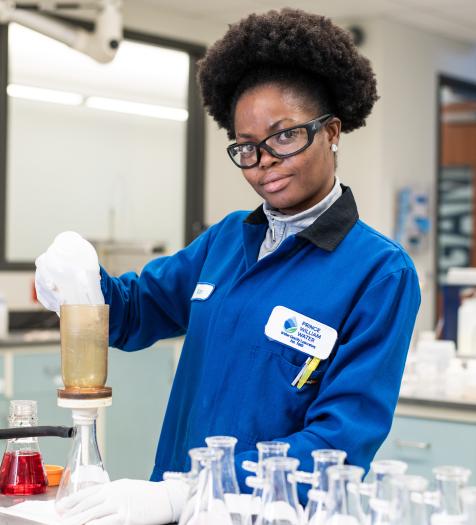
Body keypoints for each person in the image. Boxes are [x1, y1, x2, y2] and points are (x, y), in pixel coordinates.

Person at [36, 8, 420, 525]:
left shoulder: (378, 273)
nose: (263, 162)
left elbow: (339, 445)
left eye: (284, 137)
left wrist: (191, 492)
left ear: (332, 131)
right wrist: (78, 278)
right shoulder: (226, 241)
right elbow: (132, 314)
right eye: (246, 147)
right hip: (173, 512)